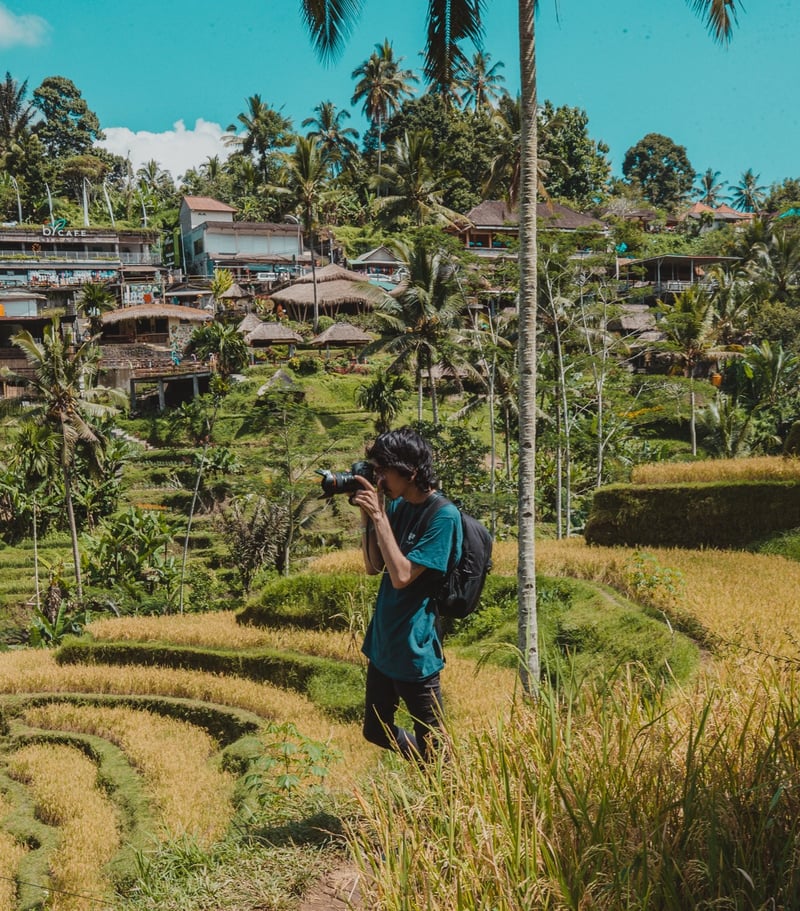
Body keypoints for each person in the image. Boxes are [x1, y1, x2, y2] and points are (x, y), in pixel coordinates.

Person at [351, 428, 462, 762]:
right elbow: (374, 567)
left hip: (415, 651)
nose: (380, 479)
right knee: (375, 729)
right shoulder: (397, 507)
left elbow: (401, 576)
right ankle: (432, 771)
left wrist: (381, 516)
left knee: (435, 747)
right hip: (384, 643)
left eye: (384, 471)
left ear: (410, 472)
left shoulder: (443, 517)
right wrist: (369, 514)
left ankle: (449, 798)